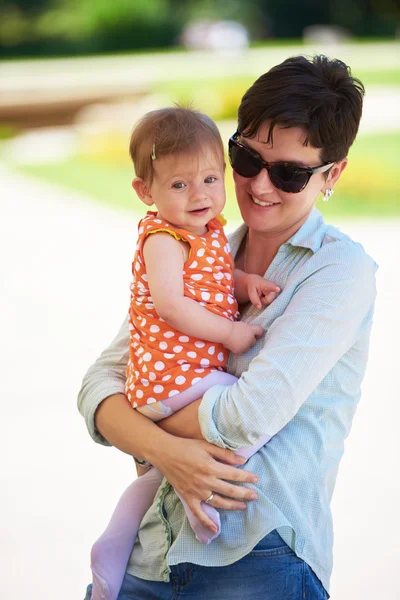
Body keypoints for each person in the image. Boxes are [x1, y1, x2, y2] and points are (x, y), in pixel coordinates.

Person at [78, 54, 377, 600]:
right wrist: (167, 453)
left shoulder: (339, 272)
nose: (259, 185)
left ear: (332, 174)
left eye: (288, 172)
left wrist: (142, 433)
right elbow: (98, 386)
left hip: (257, 556)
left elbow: (244, 418)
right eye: (246, 158)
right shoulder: (192, 243)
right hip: (150, 553)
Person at [89, 106, 280, 600]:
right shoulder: (162, 238)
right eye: (179, 185)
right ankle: (203, 500)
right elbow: (172, 305)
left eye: (211, 178)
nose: (200, 194)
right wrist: (230, 334)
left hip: (178, 379)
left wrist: (245, 283)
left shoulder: (208, 232)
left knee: (158, 475)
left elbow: (211, 279)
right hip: (172, 380)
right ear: (144, 192)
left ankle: (115, 540)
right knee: (244, 420)